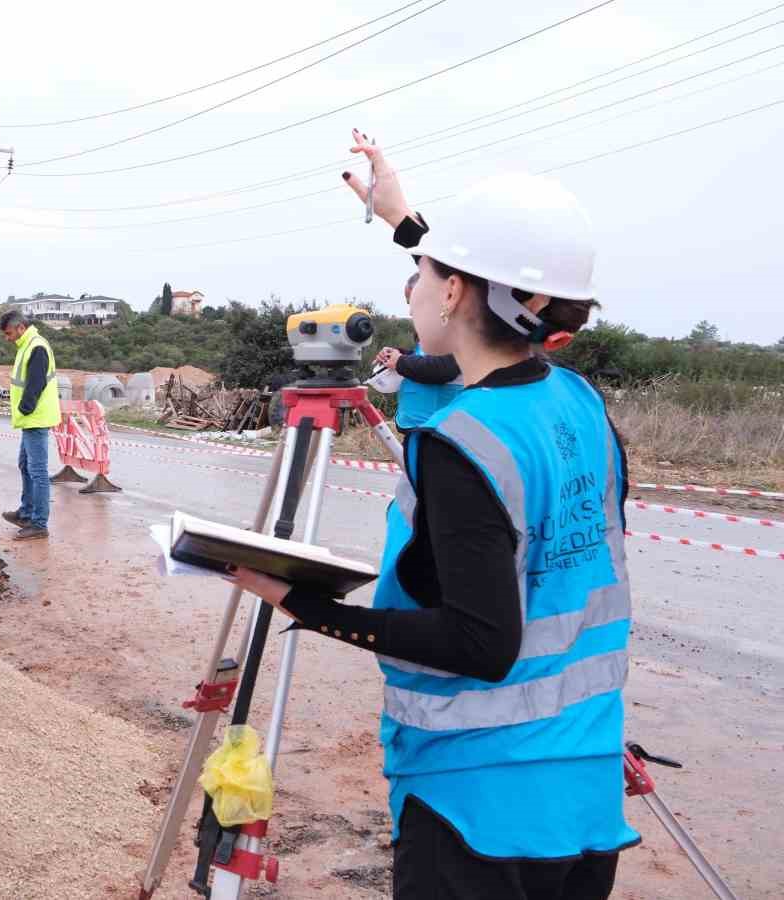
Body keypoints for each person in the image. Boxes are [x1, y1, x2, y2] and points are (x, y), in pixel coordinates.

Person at [228, 131, 635, 900]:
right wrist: (403, 220)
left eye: (422, 272)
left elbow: (481, 644)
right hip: (582, 788)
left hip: (475, 806)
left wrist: (304, 605)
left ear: (450, 292)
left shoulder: (463, 442)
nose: (411, 287)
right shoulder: (579, 402)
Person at [0, 309, 60, 541]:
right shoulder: (27, 344)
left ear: (20, 328)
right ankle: (26, 513)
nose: (8, 337)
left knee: (37, 472)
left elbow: (35, 383)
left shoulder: (36, 346)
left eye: (9, 333)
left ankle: (39, 524)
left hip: (36, 418)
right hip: (30, 419)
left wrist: (25, 407)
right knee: (25, 465)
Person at [374, 273, 465, 430]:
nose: (411, 312)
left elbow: (443, 368)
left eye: (415, 304)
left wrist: (400, 361)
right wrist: (396, 354)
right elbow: (424, 358)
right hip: (420, 430)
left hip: (443, 435)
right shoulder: (430, 329)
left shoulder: (458, 327)